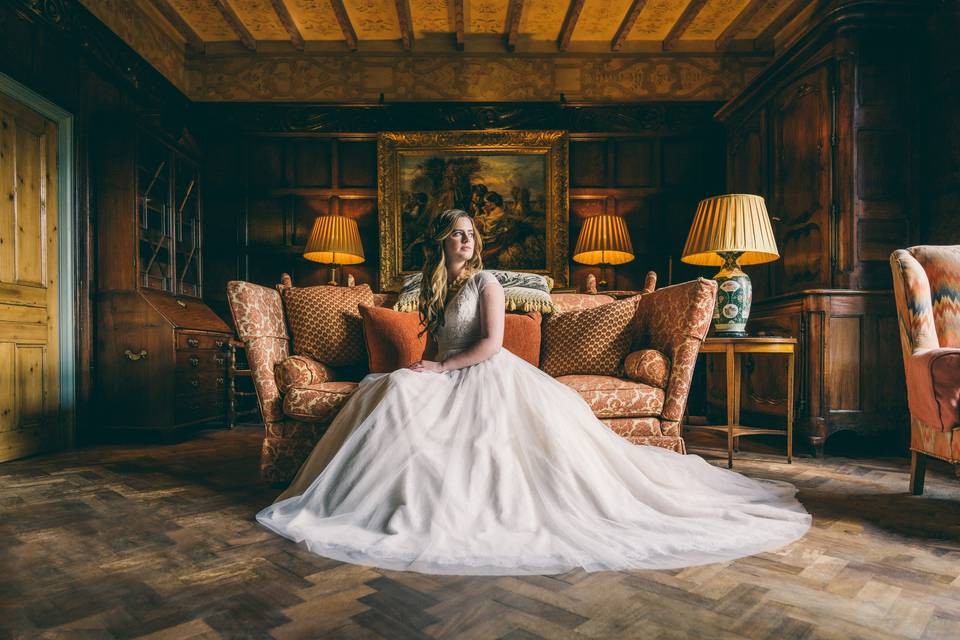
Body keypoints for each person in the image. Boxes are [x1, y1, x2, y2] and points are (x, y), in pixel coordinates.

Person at [256, 209, 811, 576]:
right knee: (393, 389)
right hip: (447, 369)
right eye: (457, 232)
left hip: (481, 373)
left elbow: (492, 344)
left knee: (406, 390)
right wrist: (427, 365)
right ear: (442, 239)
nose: (466, 240)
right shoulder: (432, 286)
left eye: (472, 233)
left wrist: (443, 368)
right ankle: (369, 502)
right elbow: (433, 336)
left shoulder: (485, 282)